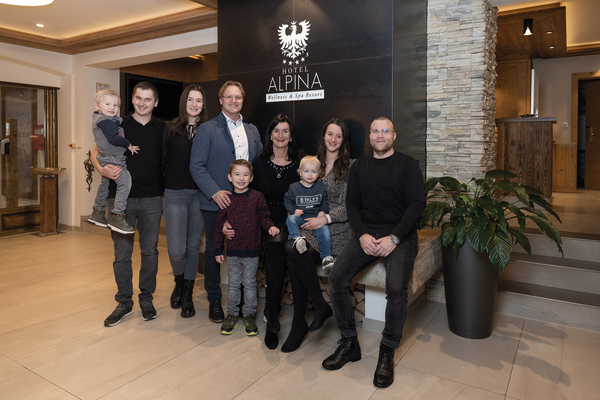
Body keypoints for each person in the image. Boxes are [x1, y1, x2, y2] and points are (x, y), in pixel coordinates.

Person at [322, 117, 424, 389]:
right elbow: (351, 204)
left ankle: (387, 350)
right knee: (337, 278)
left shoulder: (407, 164)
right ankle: (349, 343)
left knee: (396, 288)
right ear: (369, 136)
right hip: (367, 233)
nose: (380, 135)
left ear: (394, 135)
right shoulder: (360, 167)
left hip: (401, 236)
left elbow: (416, 205)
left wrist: (395, 237)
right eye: (375, 131)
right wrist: (362, 234)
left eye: (385, 131)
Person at [91, 82, 166, 327]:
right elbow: (95, 152)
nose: (142, 103)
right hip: (119, 201)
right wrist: (101, 169)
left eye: (148, 99)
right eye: (138, 98)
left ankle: (146, 299)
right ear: (132, 99)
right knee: (122, 254)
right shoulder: (116, 121)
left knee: (150, 251)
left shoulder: (163, 128)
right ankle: (124, 302)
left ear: (155, 103)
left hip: (152, 199)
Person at [223, 114, 300, 349]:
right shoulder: (258, 162)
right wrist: (227, 221)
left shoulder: (299, 164)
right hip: (261, 219)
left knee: (281, 242)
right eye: (276, 130)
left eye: (285, 131)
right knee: (276, 244)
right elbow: (243, 196)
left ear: (291, 136)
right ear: (270, 135)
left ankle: (271, 311)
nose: (280, 135)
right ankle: (272, 312)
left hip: (290, 218)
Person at [189, 81, 262, 323]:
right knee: (213, 250)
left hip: (245, 204)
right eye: (229, 97)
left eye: (237, 97)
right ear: (220, 100)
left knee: (244, 251)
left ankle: (241, 302)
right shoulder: (207, 129)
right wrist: (214, 192)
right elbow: (196, 166)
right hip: (216, 203)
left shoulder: (252, 130)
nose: (233, 101)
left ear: (242, 100)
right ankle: (214, 300)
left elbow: (258, 163)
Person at [281, 118, 354, 353]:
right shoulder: (312, 163)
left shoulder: (350, 167)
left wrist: (325, 218)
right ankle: (318, 307)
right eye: (330, 134)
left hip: (336, 229)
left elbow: (350, 205)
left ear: (344, 140)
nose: (333, 139)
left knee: (293, 255)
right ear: (323, 136)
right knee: (293, 249)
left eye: (339, 136)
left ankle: (300, 323)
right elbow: (297, 195)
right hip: (309, 226)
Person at [214, 160, 279, 336]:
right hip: (233, 251)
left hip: (251, 251)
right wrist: (218, 249)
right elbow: (219, 224)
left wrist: (270, 227)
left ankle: (249, 315)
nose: (241, 178)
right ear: (230, 177)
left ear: (251, 178)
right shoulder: (227, 199)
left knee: (249, 284)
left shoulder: (257, 197)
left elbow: (264, 217)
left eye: (245, 175)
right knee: (234, 284)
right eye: (237, 174)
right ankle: (232, 314)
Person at [163, 84, 207, 318]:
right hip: (175, 193)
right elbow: (161, 160)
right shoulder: (170, 128)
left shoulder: (208, 130)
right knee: (176, 249)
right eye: (190, 99)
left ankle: (187, 292)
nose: (194, 104)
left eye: (199, 100)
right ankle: (178, 281)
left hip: (200, 194)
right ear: (184, 102)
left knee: (192, 247)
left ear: (203, 104)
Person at [88, 89, 139, 234]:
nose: (112, 107)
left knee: (104, 185)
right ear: (97, 106)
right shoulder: (105, 121)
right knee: (125, 183)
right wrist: (128, 144)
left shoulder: (103, 119)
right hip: (113, 158)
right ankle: (117, 215)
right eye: (108, 104)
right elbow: (114, 138)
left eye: (115, 105)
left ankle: (97, 212)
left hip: (105, 157)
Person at [284, 155, 332, 268]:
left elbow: (324, 200)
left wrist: (322, 212)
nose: (310, 175)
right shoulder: (294, 187)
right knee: (291, 219)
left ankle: (326, 257)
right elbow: (287, 201)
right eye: (306, 171)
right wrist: (294, 210)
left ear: (319, 173)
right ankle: (297, 239)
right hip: (300, 218)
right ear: (300, 173)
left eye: (313, 171)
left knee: (325, 231)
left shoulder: (320, 186)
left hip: (316, 219)